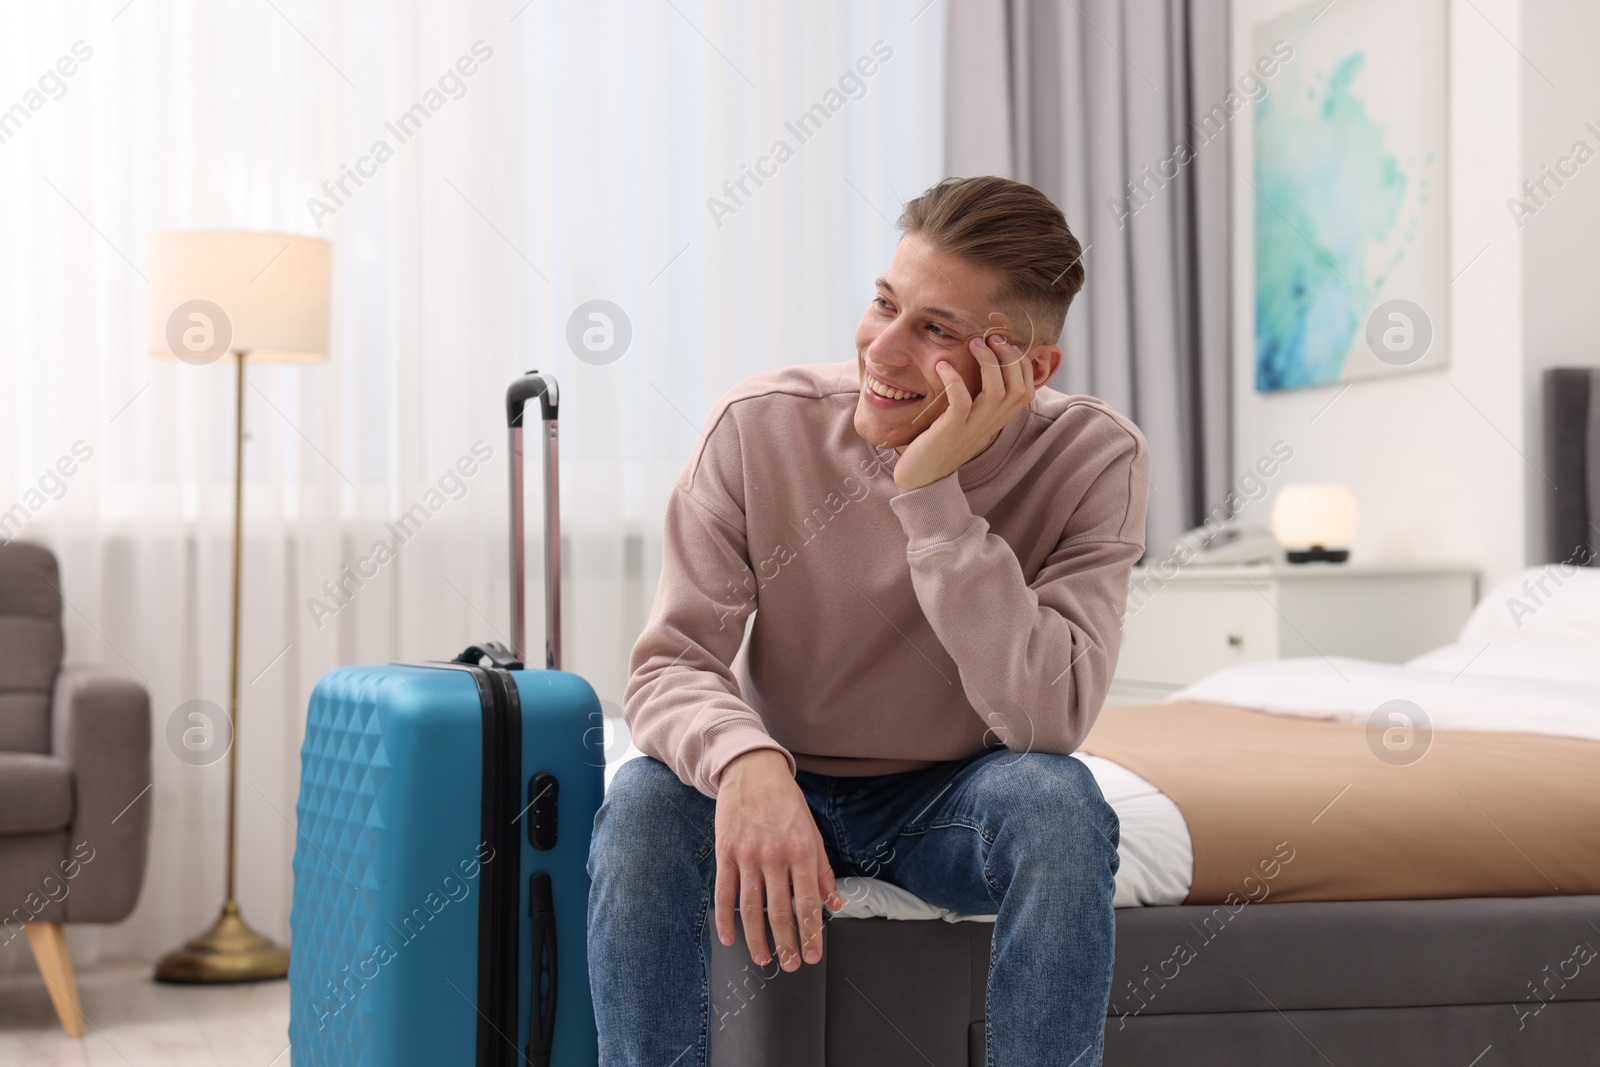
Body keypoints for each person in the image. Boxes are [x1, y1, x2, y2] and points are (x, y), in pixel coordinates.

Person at [587, 175, 1151, 1066]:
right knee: (642, 807)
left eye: (936, 329)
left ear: (1028, 370)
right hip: (785, 772)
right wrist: (746, 759)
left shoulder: (1093, 459)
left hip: (951, 797)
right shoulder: (759, 427)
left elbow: (1047, 721)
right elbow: (671, 665)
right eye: (885, 304)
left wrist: (930, 494)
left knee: (1058, 808)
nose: (881, 350)